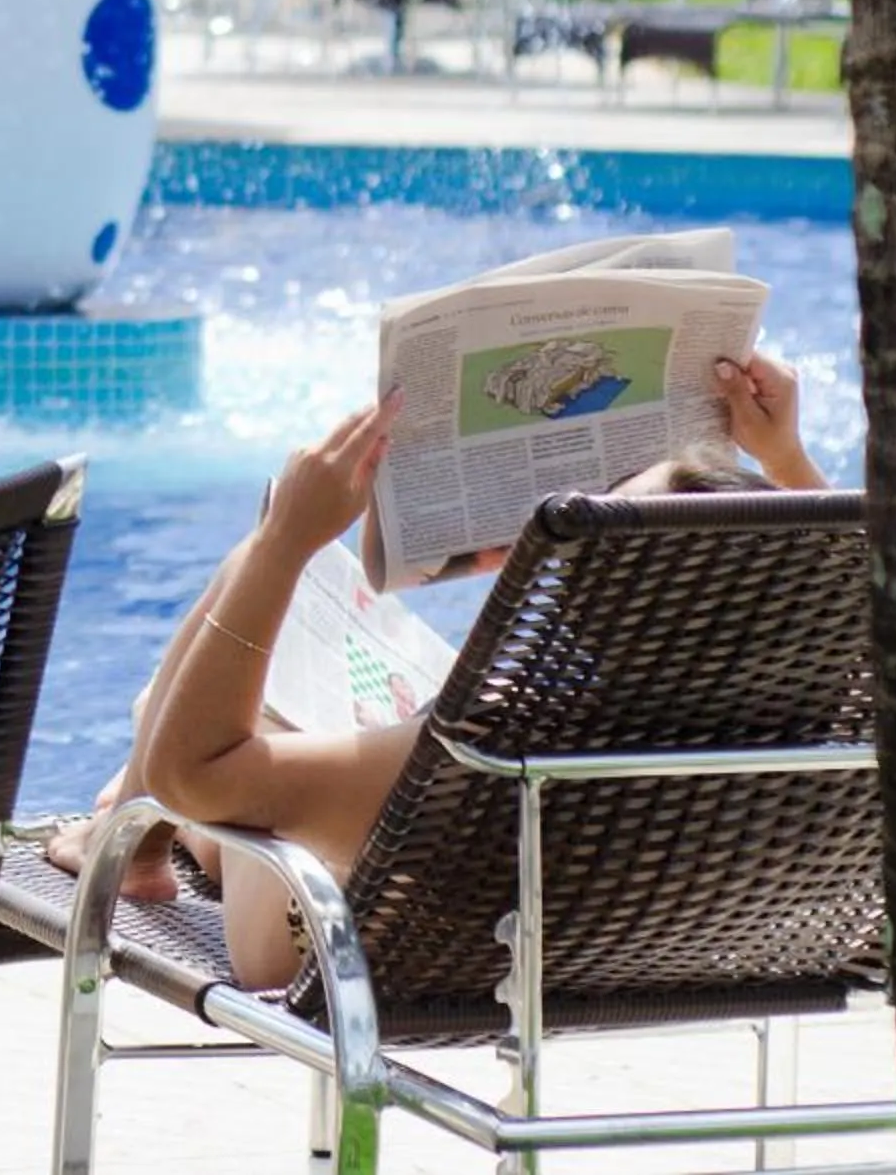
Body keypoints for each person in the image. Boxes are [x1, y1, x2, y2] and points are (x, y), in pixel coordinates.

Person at [49, 352, 828, 987]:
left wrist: (284, 543)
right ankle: (137, 817)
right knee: (269, 709)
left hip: (318, 933)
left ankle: (131, 836)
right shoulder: (795, 725)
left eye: (606, 498)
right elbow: (845, 607)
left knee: (238, 641)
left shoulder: (494, 747)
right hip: (580, 942)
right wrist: (785, 461)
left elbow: (193, 770)